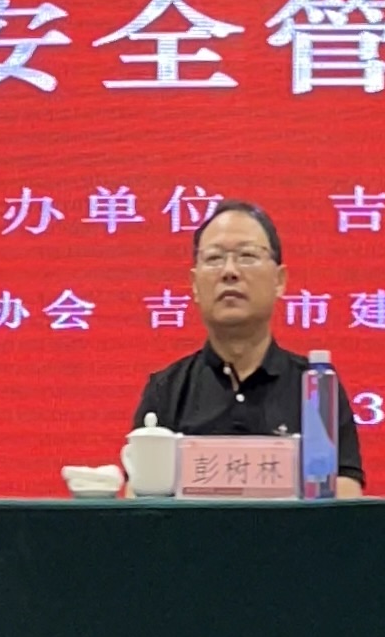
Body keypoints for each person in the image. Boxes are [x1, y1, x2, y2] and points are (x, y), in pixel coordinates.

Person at [130, 199, 366, 490]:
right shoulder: (167, 389)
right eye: (214, 258)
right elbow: (137, 495)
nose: (229, 271)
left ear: (279, 280)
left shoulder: (316, 386)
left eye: (247, 256)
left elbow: (346, 488)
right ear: (194, 284)